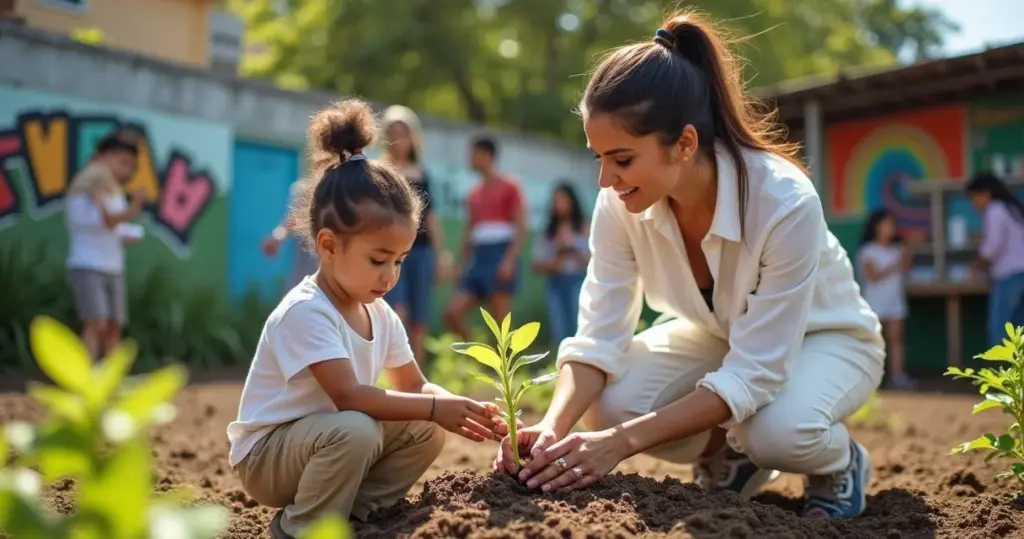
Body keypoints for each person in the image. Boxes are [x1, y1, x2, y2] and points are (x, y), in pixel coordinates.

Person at [494, 10, 886, 521]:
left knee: (777, 432)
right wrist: (553, 425)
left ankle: (839, 464)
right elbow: (598, 337)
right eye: (599, 159)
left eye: (623, 159)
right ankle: (732, 460)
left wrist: (618, 444)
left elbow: (754, 371)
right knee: (614, 402)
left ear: (684, 143)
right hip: (719, 335)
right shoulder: (620, 204)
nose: (605, 180)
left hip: (828, 338)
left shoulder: (783, 202)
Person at [228, 99, 508, 539]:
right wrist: (436, 406)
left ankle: (359, 514)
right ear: (328, 245)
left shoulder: (378, 312)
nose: (390, 276)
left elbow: (414, 389)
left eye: (398, 261)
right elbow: (349, 396)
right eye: (379, 260)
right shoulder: (307, 310)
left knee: (425, 427)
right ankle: (300, 528)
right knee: (358, 429)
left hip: (328, 440)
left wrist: (463, 408)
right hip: (268, 459)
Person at [380, 105, 453, 364]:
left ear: (413, 136)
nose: (399, 138)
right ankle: (392, 372)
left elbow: (430, 218)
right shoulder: (379, 171)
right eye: (393, 132)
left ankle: (417, 376)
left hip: (421, 252)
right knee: (396, 312)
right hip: (390, 253)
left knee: (420, 319)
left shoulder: (423, 174)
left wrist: (442, 255)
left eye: (404, 132)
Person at [64, 130, 145, 360]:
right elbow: (103, 220)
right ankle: (83, 380)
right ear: (101, 157)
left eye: (131, 166)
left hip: (113, 267)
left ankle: (108, 383)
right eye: (122, 162)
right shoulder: (86, 184)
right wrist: (131, 211)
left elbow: (113, 227)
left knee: (113, 325)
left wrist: (128, 233)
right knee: (96, 322)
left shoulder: (112, 190)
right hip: (87, 264)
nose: (126, 171)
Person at [444, 135, 526, 338]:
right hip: (479, 259)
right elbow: (469, 233)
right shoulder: (473, 193)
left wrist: (508, 261)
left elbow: (520, 226)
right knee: (452, 312)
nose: (470, 159)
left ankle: (503, 369)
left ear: (487, 154)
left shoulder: (510, 186)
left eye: (473, 154)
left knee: (500, 324)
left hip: (500, 254)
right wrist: (460, 265)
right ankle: (479, 357)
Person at [855, 209, 919, 390]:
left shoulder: (897, 250)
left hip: (895, 301)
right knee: (873, 341)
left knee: (896, 339)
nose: (890, 228)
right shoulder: (868, 250)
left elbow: (906, 269)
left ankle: (897, 377)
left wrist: (909, 250)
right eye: (886, 224)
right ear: (876, 227)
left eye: (892, 225)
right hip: (874, 303)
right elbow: (873, 275)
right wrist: (896, 263)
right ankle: (871, 380)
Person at [965, 171, 1024, 345]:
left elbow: (991, 248)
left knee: (1000, 328)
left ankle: (1000, 371)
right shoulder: (1012, 208)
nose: (974, 203)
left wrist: (975, 265)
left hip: (1008, 278)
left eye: (974, 197)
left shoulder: (995, 210)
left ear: (986, 193)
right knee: (1019, 329)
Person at [532, 182, 590, 346]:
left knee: (580, 328)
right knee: (559, 331)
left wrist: (572, 250)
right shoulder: (548, 231)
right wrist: (557, 256)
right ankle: (560, 366)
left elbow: (594, 261)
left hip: (577, 281)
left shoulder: (584, 227)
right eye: (555, 200)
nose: (559, 204)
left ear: (572, 202)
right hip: (555, 283)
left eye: (563, 199)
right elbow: (535, 264)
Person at [262, 181, 320, 290]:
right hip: (307, 269)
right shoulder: (304, 189)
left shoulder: (345, 188)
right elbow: (292, 220)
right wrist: (276, 238)